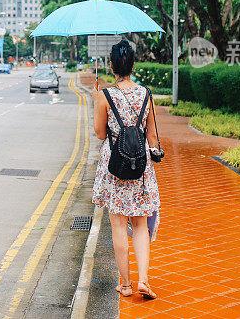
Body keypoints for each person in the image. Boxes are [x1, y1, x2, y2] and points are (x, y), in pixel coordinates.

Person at [92, 39, 160, 299]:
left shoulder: (104, 95)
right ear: (133, 64)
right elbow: (152, 136)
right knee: (140, 224)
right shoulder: (146, 94)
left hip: (115, 165)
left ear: (111, 66)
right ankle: (144, 281)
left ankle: (126, 285)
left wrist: (97, 100)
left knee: (119, 225)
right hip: (140, 164)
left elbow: (100, 134)